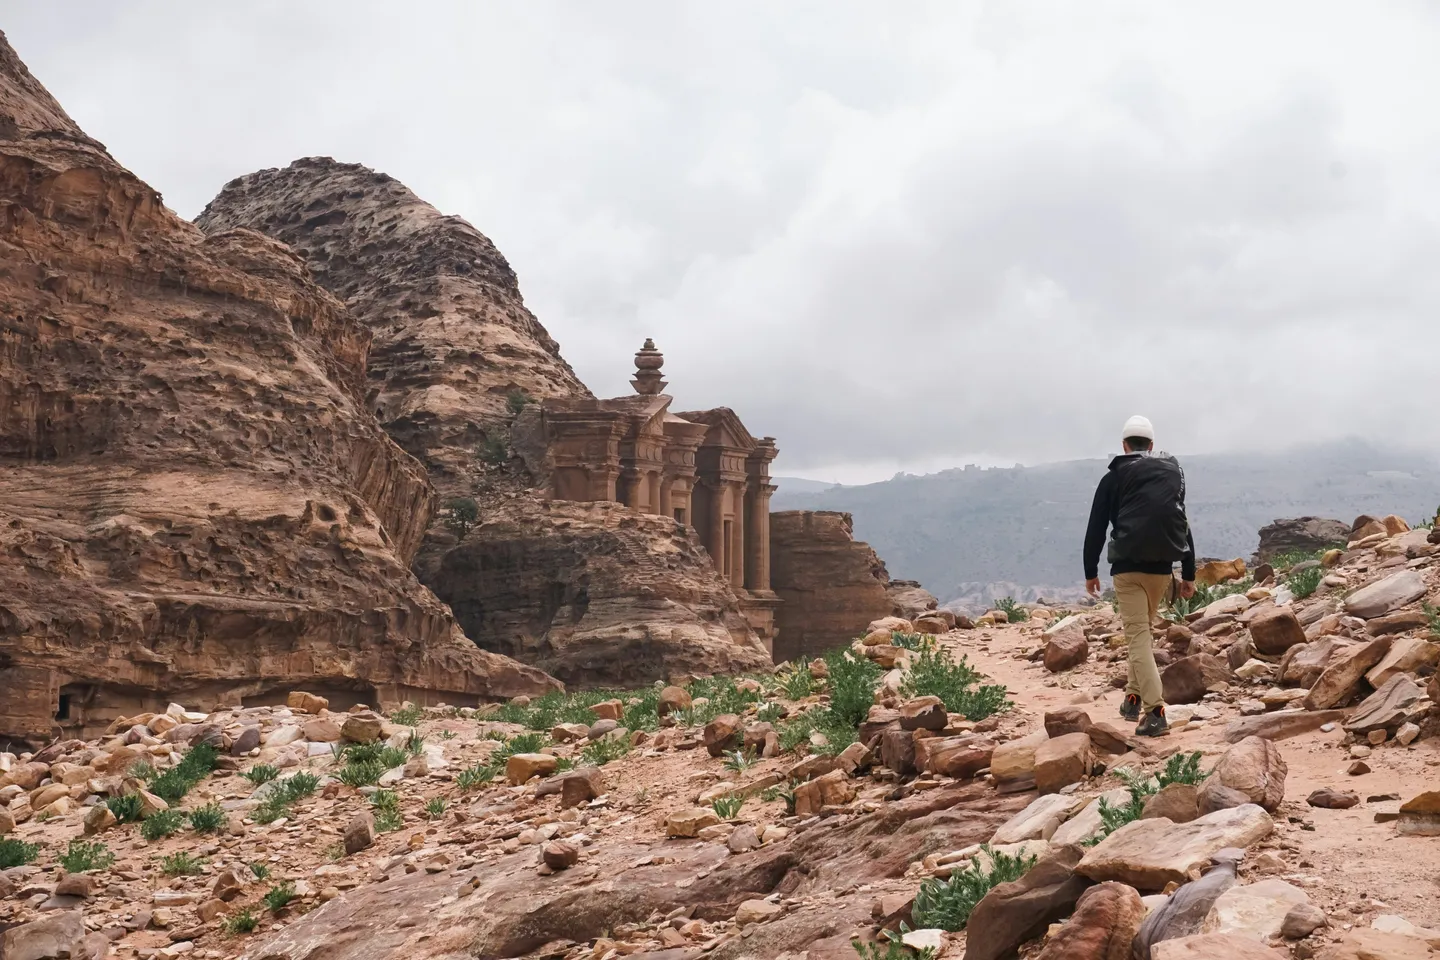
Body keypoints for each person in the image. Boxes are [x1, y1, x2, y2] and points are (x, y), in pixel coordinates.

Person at [1083, 415, 1196, 737]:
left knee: (1138, 640)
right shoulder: (1169, 475)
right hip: (1162, 570)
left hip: (1128, 570)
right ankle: (1132, 700)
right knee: (1142, 634)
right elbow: (1182, 524)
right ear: (1151, 446)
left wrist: (1090, 571)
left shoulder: (1115, 477)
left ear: (1124, 446)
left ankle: (1155, 711)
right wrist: (1188, 573)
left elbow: (1096, 527)